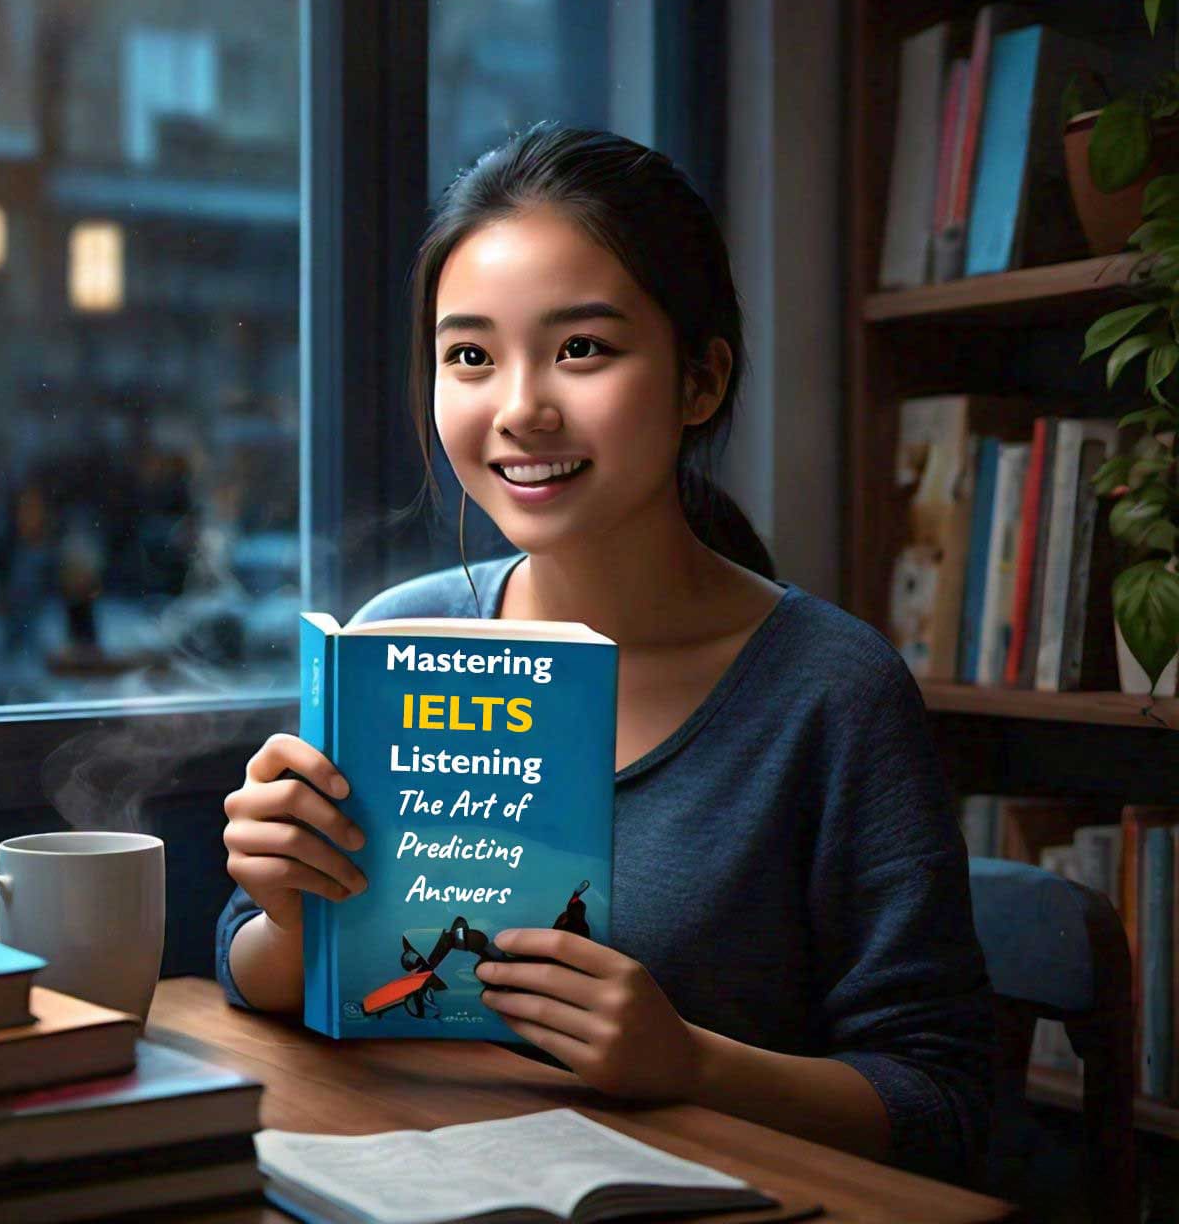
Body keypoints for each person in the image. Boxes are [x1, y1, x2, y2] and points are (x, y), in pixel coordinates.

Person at [215, 122, 997, 1188]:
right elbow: (254, 969)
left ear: (700, 379)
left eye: (580, 348)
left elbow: (943, 1102)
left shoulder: (829, 691)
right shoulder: (408, 637)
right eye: (470, 356)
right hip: (422, 1180)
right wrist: (287, 912)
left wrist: (686, 1060)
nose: (521, 407)